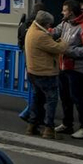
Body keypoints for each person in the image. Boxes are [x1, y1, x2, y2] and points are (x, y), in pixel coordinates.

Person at [57, 0, 83, 138]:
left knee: (78, 99)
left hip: (78, 69)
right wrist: (42, 30)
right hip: (63, 66)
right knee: (65, 97)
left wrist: (69, 51)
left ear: (71, 12)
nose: (62, 12)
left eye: (64, 10)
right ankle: (67, 124)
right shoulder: (65, 23)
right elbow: (55, 31)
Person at [22, 10, 63, 139]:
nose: (50, 26)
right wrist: (64, 41)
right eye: (49, 24)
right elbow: (59, 48)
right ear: (45, 23)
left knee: (37, 98)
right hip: (45, 72)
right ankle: (48, 128)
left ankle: (32, 125)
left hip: (33, 71)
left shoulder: (31, 30)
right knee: (51, 100)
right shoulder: (41, 35)